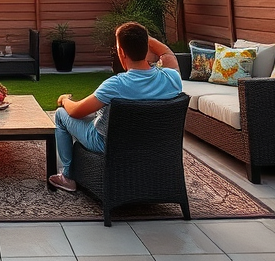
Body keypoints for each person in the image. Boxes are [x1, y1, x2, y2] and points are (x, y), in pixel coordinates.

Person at [49, 21, 183, 192]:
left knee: (62, 114)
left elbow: (75, 112)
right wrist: (141, 38)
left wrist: (65, 99)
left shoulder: (116, 85)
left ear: (121, 52)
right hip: (155, 144)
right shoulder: (172, 78)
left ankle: (67, 177)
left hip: (109, 144)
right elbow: (167, 52)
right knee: (96, 115)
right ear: (146, 47)